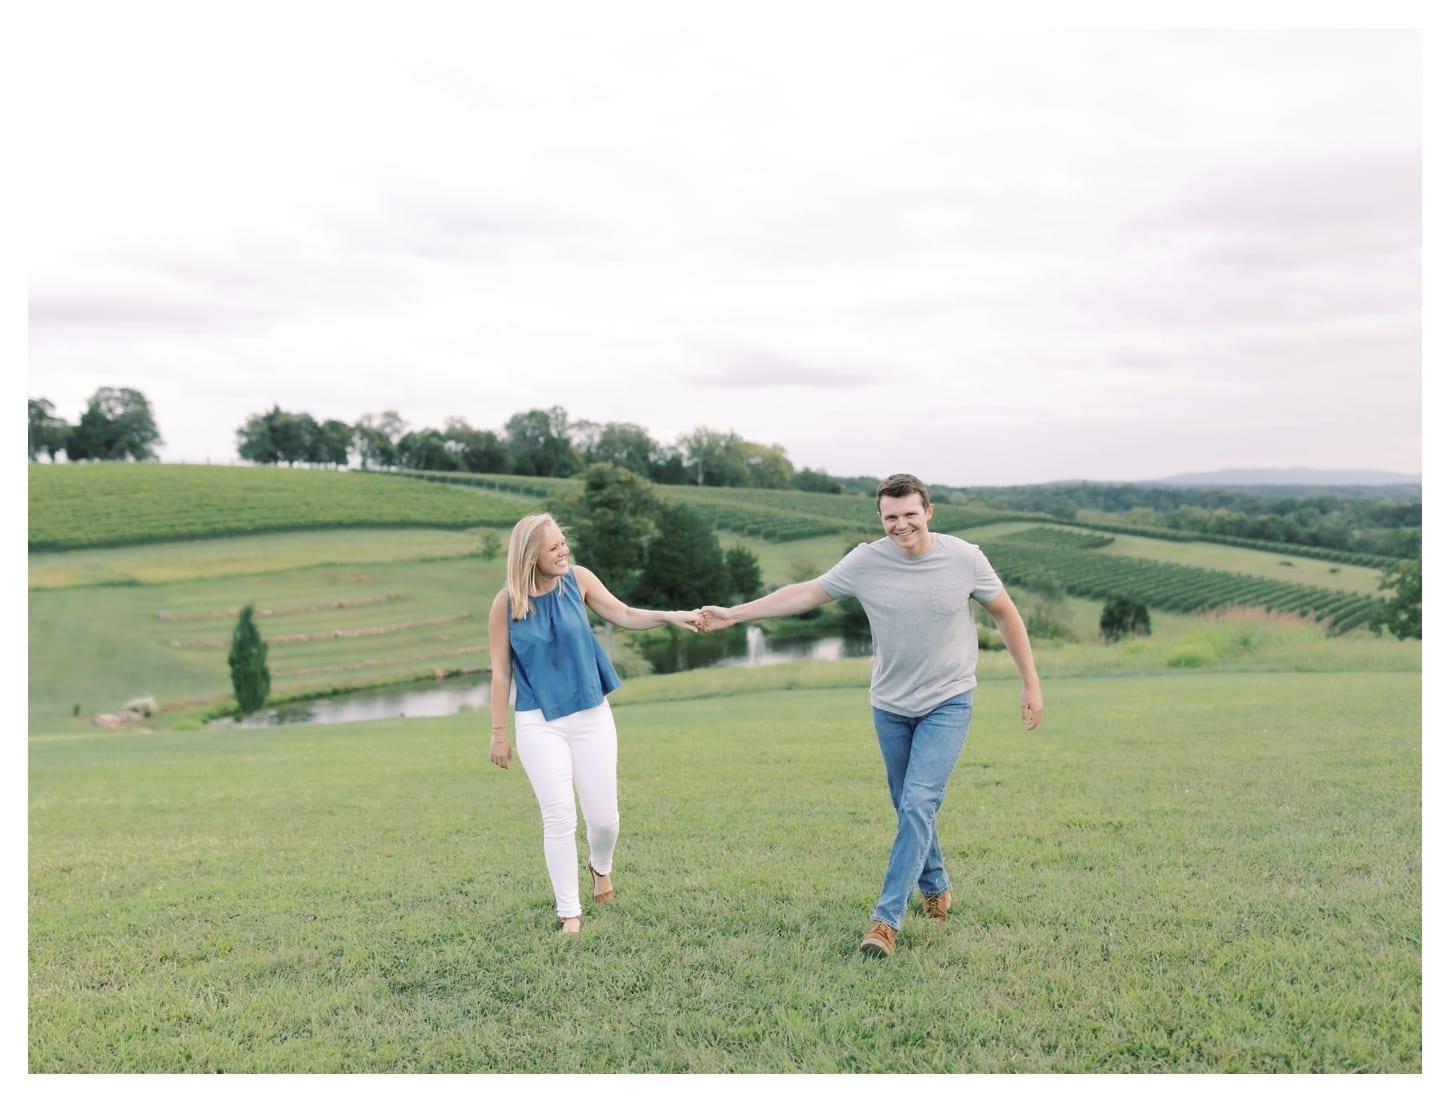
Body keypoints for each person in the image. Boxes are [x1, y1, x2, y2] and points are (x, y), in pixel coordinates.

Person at [701, 472, 1043, 957]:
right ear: (880, 518)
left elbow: (1005, 613)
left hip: (948, 700)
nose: (901, 526)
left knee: (919, 803)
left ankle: (885, 922)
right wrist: (734, 614)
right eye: (890, 517)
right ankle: (937, 886)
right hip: (889, 704)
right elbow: (804, 593)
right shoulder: (866, 561)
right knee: (908, 804)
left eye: (909, 514)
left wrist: (1030, 681)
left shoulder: (965, 558)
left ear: (928, 512)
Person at [488, 513, 705, 934]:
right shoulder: (506, 602)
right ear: (531, 555)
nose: (564, 551)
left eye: (563, 543)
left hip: (590, 713)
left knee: (604, 819)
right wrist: (498, 734)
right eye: (554, 548)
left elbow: (623, 613)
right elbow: (500, 672)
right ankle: (569, 913)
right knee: (559, 816)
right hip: (538, 720)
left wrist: (670, 615)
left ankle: (599, 867)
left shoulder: (579, 580)